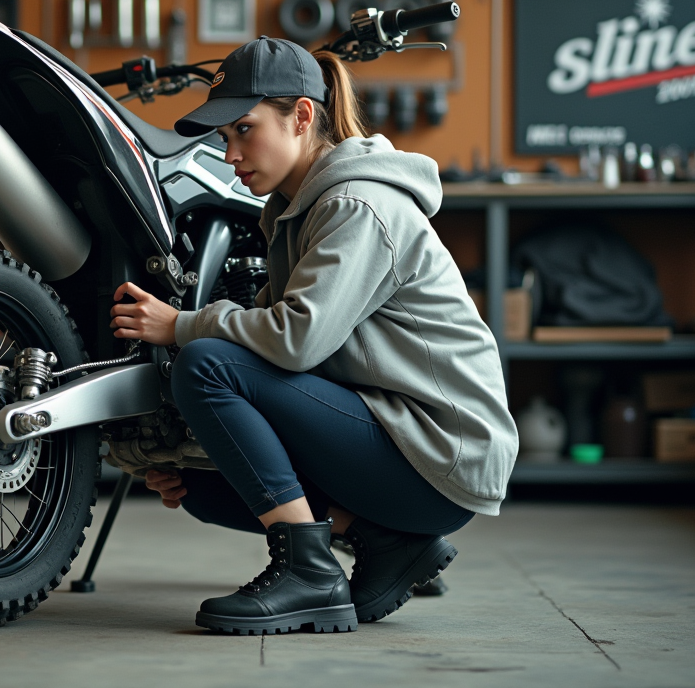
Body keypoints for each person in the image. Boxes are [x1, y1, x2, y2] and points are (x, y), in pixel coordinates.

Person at [109, 36, 517, 635]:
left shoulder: (357, 204)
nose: (230, 153)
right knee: (202, 487)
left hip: (440, 454)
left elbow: (293, 341)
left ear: (301, 116)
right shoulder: (294, 210)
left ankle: (309, 576)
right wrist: (188, 455)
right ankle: (385, 542)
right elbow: (272, 357)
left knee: (205, 363)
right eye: (224, 137)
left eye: (244, 130)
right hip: (397, 436)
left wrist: (183, 325)